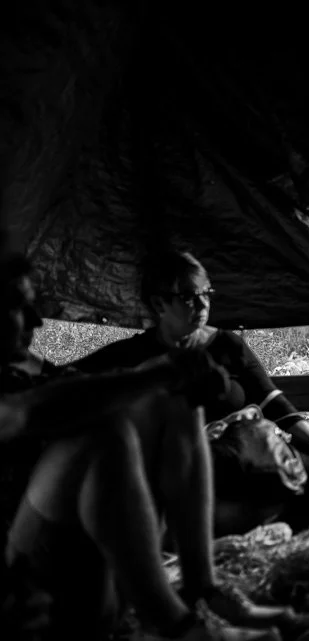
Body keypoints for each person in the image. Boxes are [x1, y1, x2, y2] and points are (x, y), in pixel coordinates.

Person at [0, 251, 282, 640]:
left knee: (174, 401)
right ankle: (179, 627)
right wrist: (157, 373)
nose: (36, 321)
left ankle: (203, 589)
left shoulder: (27, 364)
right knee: (104, 434)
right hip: (24, 579)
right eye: (18, 307)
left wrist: (165, 379)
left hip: (88, 559)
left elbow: (75, 389)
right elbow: (27, 411)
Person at [71, 250, 309, 536]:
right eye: (189, 297)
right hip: (197, 469)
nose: (202, 304)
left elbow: (270, 398)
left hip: (257, 452)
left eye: (206, 293)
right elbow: (69, 382)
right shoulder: (132, 357)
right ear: (159, 304)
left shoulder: (226, 346)